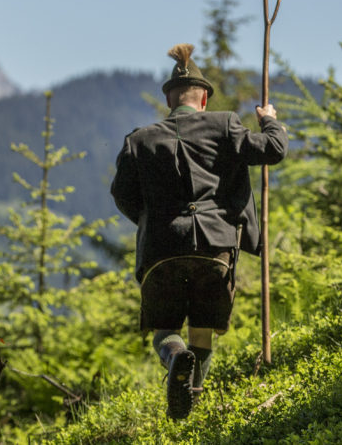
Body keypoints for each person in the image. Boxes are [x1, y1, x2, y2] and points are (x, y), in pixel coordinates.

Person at [110, 43, 288, 419]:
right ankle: (193, 406)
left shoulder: (138, 140)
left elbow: (121, 195)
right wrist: (268, 118)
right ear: (203, 98)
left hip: (161, 250)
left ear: (170, 101)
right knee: (203, 331)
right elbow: (273, 149)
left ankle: (176, 359)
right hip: (215, 247)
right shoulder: (224, 125)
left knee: (165, 330)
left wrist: (150, 222)